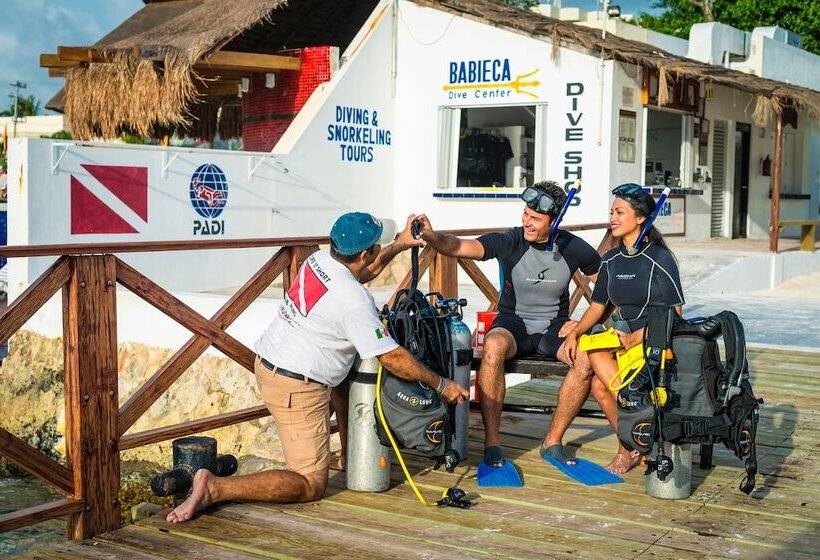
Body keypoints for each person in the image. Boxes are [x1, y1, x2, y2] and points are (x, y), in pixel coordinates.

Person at [167, 212, 468, 523]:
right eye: (377, 247)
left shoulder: (320, 261)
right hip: (296, 386)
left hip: (274, 361)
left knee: (345, 373)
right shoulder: (353, 301)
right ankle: (215, 488)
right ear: (365, 253)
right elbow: (391, 357)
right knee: (310, 483)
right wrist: (442, 385)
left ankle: (351, 454)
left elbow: (362, 271)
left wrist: (399, 245)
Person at [414, 181, 602, 471]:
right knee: (493, 346)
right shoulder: (511, 240)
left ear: (554, 221)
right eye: (525, 214)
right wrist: (431, 235)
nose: (527, 222)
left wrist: (582, 324)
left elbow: (607, 290)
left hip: (556, 326)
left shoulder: (574, 247)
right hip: (513, 322)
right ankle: (492, 443)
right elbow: (459, 246)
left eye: (535, 218)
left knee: (586, 359)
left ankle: (553, 441)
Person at [560, 183, 684, 473]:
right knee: (592, 347)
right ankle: (637, 436)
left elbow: (676, 313)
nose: (612, 218)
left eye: (619, 212)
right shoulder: (611, 260)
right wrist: (575, 332)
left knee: (599, 384)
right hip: (622, 336)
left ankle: (628, 446)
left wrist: (638, 337)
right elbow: (598, 306)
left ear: (640, 218)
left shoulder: (660, 258)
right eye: (611, 212)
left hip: (654, 339)